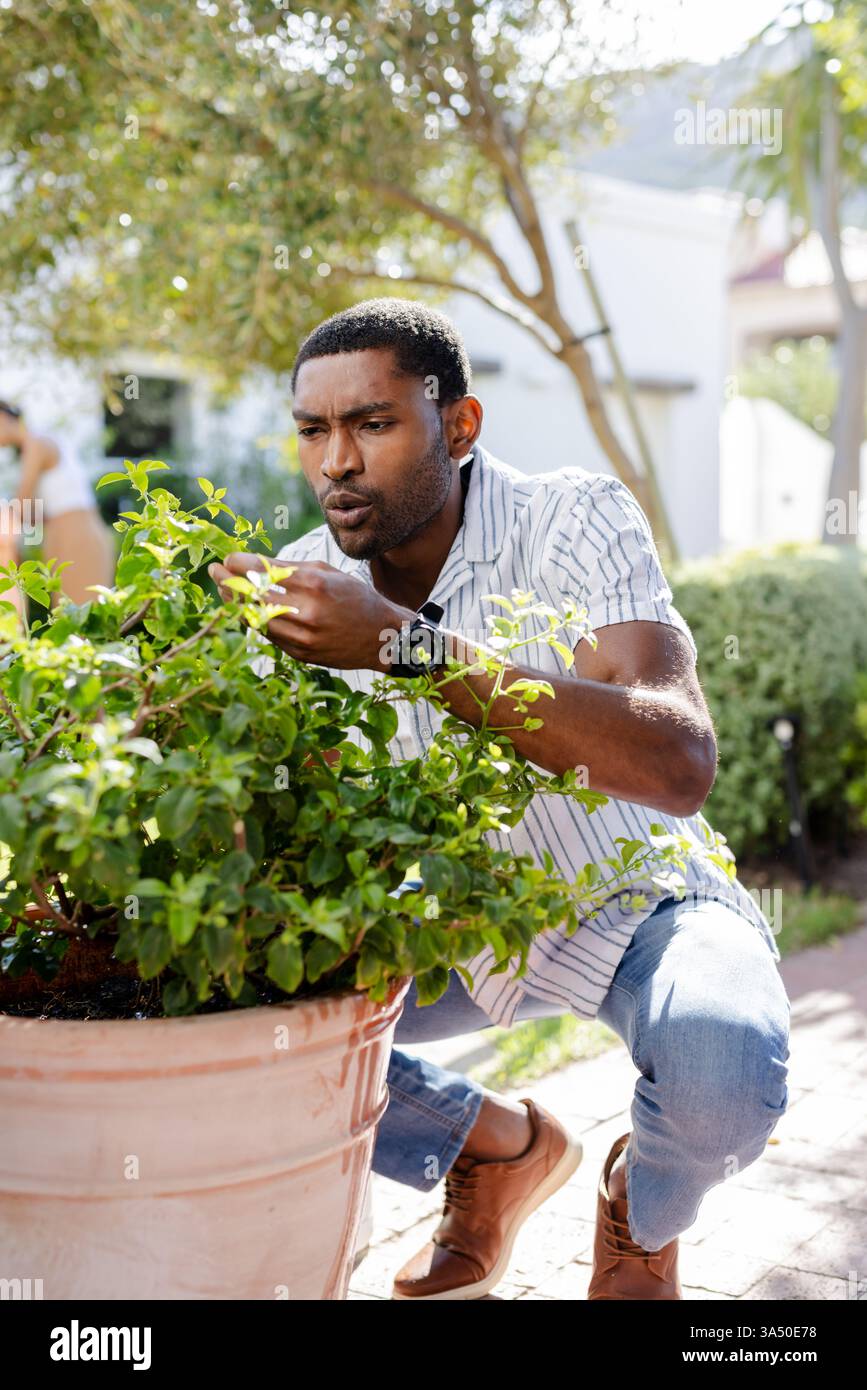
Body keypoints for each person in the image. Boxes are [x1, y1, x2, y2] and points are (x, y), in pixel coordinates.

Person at [209, 298, 791, 1302]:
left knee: (722, 1074)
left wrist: (405, 644)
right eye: (315, 430)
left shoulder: (572, 515)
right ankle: (494, 1148)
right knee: (212, 1028)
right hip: (444, 932)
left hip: (638, 895)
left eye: (373, 423)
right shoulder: (301, 586)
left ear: (459, 425)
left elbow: (678, 759)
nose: (337, 460)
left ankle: (640, 1213)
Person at [0, 399, 115, 613]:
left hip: (76, 532)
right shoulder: (36, 444)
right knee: (67, 615)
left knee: (82, 614)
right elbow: (30, 513)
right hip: (60, 532)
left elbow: (21, 503)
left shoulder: (37, 443)